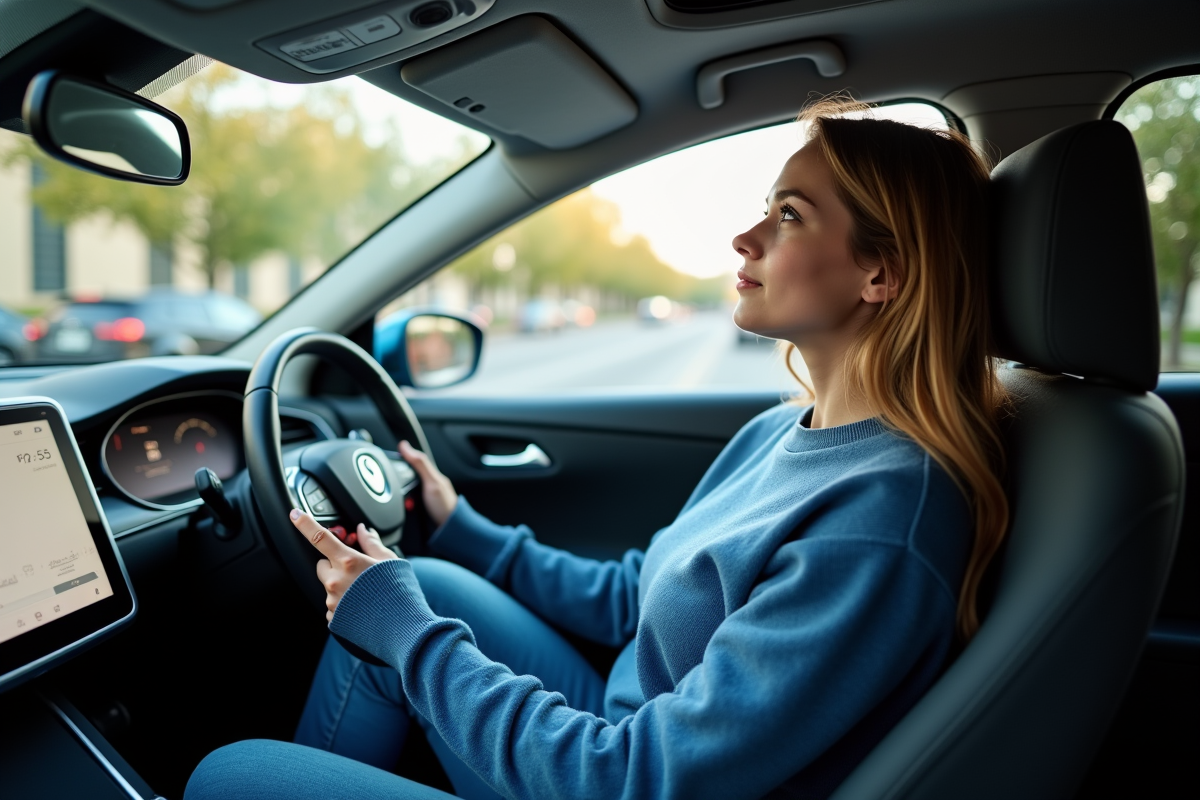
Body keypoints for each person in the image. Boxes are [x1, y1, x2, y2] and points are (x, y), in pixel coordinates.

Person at [184, 97, 1009, 800]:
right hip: (619, 726)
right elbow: (638, 599)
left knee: (233, 773)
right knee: (423, 584)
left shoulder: (879, 523)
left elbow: (636, 779)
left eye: (790, 215)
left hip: (619, 770)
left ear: (882, 277)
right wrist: (463, 528)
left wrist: (407, 636)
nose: (745, 238)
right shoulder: (782, 431)